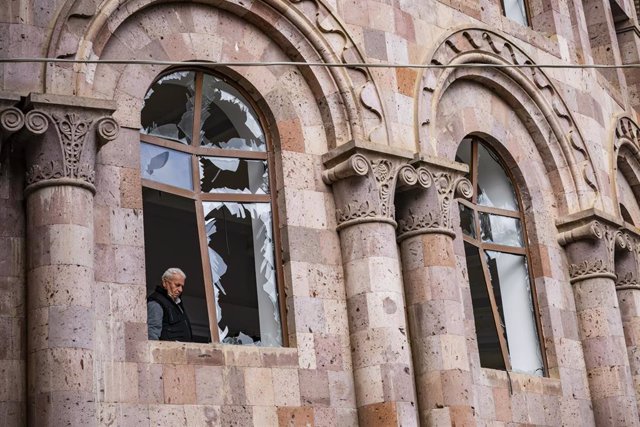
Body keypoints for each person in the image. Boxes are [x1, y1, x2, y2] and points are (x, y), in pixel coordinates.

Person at [147, 268, 193, 341]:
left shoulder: (177, 303)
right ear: (165, 283)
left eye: (182, 286)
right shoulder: (156, 303)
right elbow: (152, 334)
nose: (181, 290)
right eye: (177, 285)